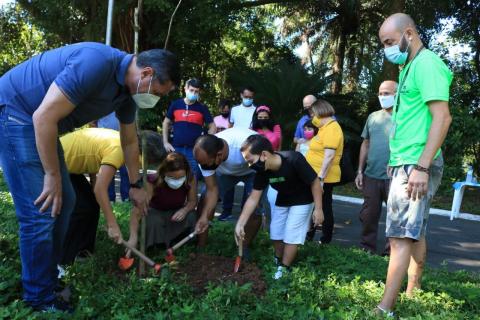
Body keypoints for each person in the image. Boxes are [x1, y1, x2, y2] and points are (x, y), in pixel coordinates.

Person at [0, 42, 179, 312]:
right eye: (156, 91)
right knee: (42, 209)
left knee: (66, 201)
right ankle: (38, 300)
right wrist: (52, 175)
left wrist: (135, 184)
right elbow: (43, 117)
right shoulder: (95, 63)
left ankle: (47, 279)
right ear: (146, 73)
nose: (153, 98)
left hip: (41, 123)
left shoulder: (127, 93)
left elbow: (129, 141)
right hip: (16, 114)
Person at [375, 13, 452, 317]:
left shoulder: (428, 64)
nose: (388, 48)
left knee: (399, 237)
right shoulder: (408, 67)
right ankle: (412, 289)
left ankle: (385, 308)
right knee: (413, 231)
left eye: (390, 42)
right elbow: (410, 120)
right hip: (405, 161)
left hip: (416, 163)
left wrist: (420, 166)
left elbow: (442, 117)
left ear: (409, 33)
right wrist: (395, 161)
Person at [59, 128, 165, 265]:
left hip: (70, 166)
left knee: (91, 205)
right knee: (82, 209)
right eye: (147, 162)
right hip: (55, 161)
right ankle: (62, 261)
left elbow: (92, 159)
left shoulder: (124, 144)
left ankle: (84, 252)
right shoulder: (119, 150)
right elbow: (100, 189)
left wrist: (94, 190)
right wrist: (112, 224)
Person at [235, 135, 324, 279]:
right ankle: (278, 259)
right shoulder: (262, 172)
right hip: (283, 198)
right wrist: (240, 223)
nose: (250, 165)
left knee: (291, 234)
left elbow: (315, 182)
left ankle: (285, 267)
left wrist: (319, 209)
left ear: (264, 154)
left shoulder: (294, 159)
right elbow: (253, 198)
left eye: (250, 160)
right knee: (276, 232)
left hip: (303, 199)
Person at [193, 127, 264, 258]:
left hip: (254, 171)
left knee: (255, 210)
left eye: (207, 164)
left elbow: (264, 166)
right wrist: (204, 216)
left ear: (219, 155)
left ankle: (244, 247)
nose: (205, 167)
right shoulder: (204, 159)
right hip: (226, 173)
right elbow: (212, 190)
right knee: (204, 200)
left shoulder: (245, 145)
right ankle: (201, 246)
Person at [355, 80, 397, 256]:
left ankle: (391, 253)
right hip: (371, 175)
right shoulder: (373, 117)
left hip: (395, 176)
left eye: (386, 93)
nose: (382, 96)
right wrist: (359, 170)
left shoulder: (405, 116)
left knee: (394, 217)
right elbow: (365, 143)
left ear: (397, 94)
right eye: (380, 93)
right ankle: (366, 249)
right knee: (369, 215)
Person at [127, 152, 197, 252]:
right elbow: (137, 210)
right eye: (172, 178)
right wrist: (133, 237)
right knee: (152, 220)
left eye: (181, 178)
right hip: (156, 213)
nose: (177, 181)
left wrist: (184, 210)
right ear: (164, 173)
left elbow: (193, 201)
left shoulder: (190, 178)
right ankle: (157, 247)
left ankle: (179, 245)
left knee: (191, 215)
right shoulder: (152, 181)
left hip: (176, 212)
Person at [305, 99, 344, 244]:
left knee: (324, 208)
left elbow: (329, 156)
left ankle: (324, 241)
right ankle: (309, 236)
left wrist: (320, 179)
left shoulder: (332, 128)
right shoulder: (324, 127)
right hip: (316, 176)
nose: (312, 118)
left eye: (313, 114)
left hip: (323, 177)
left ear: (319, 112)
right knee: (316, 206)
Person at [163, 78, 216, 179]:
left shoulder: (202, 107)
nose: (193, 93)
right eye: (191, 90)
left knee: (192, 179)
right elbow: (166, 122)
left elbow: (213, 127)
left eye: (196, 91)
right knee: (173, 176)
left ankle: (191, 195)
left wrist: (205, 145)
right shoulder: (175, 104)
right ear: (185, 89)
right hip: (175, 148)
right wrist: (165, 142)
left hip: (194, 151)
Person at [97, 112, 130, 202]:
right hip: (105, 143)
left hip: (122, 141)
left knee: (125, 172)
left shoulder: (123, 101)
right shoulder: (102, 103)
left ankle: (126, 199)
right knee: (108, 171)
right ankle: (109, 199)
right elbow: (92, 122)